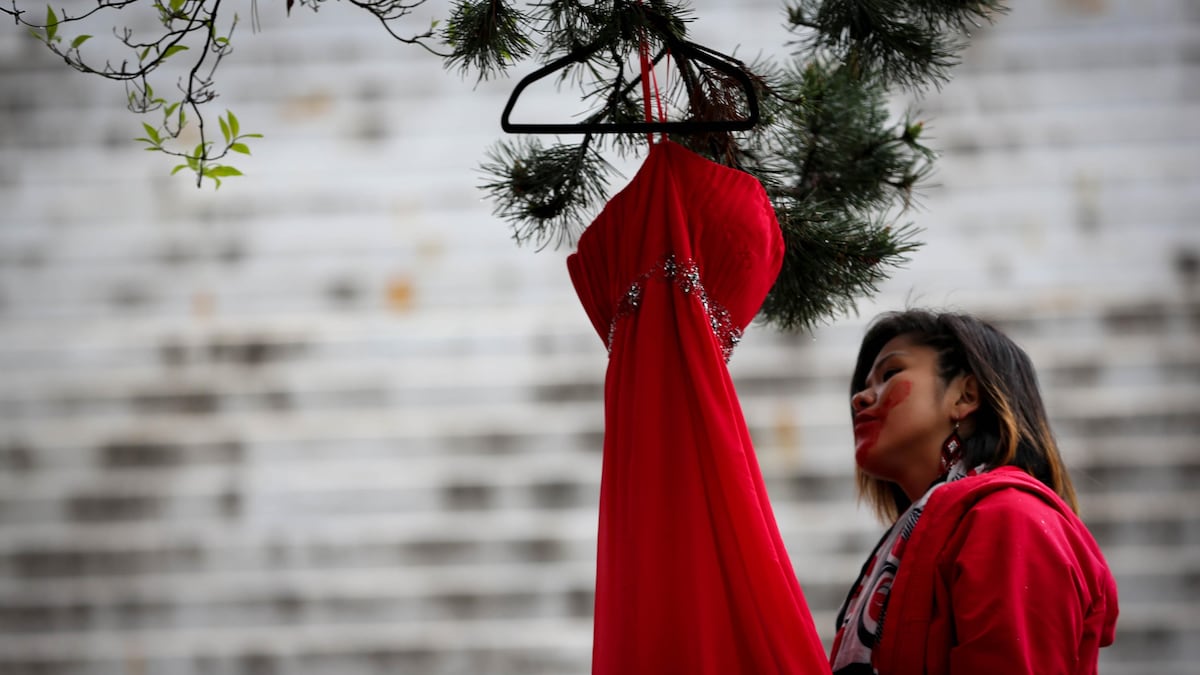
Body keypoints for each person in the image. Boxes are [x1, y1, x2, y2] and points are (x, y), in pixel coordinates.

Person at [830, 309, 1119, 675]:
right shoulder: (921, 533)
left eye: (890, 374)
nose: (860, 398)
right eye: (863, 385)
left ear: (965, 395)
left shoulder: (1011, 518)